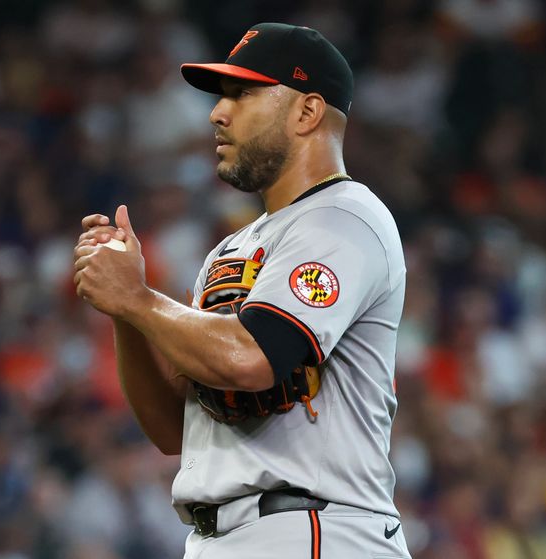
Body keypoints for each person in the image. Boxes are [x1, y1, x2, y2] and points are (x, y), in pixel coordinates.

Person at [73, 22, 410, 559]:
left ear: (307, 112)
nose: (217, 112)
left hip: (313, 529)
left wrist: (139, 299)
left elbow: (252, 359)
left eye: (244, 93)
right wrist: (124, 309)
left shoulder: (345, 217)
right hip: (222, 537)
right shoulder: (231, 249)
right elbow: (173, 434)